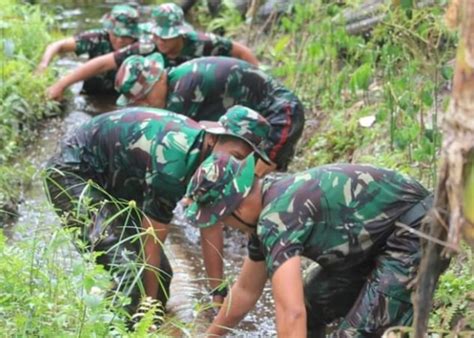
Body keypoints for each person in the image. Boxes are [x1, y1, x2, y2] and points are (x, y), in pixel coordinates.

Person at [44, 106, 272, 314]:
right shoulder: (173, 165)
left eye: (243, 160)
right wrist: (147, 311)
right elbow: (151, 239)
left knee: (161, 279)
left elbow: (210, 223)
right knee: (131, 274)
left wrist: (217, 292)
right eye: (235, 156)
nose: (235, 165)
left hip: (117, 184)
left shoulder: (213, 165)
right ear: (213, 137)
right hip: (73, 173)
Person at [181, 153, 434, 337]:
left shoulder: (276, 218)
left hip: (415, 231)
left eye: (223, 219)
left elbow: (292, 314)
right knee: (312, 303)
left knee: (354, 334)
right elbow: (246, 290)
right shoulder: (268, 207)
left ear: (238, 206)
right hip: (371, 246)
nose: (227, 226)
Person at [115, 54, 305, 173]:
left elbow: (183, 149)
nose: (145, 105)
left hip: (281, 116)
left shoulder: (183, 90)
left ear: (156, 81)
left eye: (144, 98)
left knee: (254, 177)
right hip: (260, 121)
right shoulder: (177, 81)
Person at [47, 3, 258, 100]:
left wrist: (257, 76)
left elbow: (241, 51)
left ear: (181, 34)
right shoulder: (147, 45)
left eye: (168, 37)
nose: (162, 42)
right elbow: (103, 63)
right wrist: (61, 84)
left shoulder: (203, 42)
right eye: (158, 36)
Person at [37, 4, 140, 94]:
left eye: (126, 36)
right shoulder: (97, 38)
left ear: (135, 34)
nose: (119, 40)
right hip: (92, 95)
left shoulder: (140, 47)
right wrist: (43, 64)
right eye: (115, 34)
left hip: (125, 98)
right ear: (109, 30)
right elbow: (57, 45)